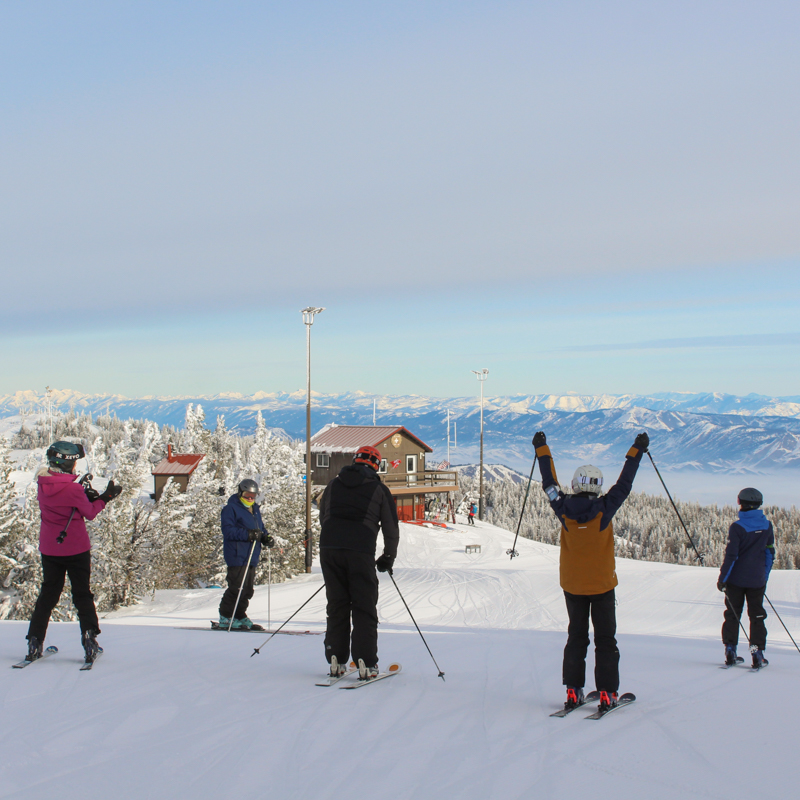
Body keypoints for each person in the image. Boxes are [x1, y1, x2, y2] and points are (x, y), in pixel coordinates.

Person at [533, 430, 649, 712]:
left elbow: (549, 483)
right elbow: (625, 484)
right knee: (605, 639)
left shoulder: (561, 507)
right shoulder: (605, 509)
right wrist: (637, 450)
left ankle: (573, 691)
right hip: (601, 586)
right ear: (597, 487)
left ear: (575, 484)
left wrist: (542, 449)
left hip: (572, 586)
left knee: (576, 637)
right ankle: (608, 693)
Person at [26, 441, 122, 663]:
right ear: (68, 463)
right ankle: (89, 640)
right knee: (81, 594)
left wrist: (83, 494)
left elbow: (63, 504)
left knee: (48, 595)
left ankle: (34, 641)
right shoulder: (73, 488)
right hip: (76, 548)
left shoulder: (43, 484)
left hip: (50, 548)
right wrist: (106, 497)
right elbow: (89, 513)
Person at [318, 445, 399, 679]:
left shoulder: (333, 484)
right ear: (376, 465)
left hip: (330, 549)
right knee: (364, 606)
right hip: (360, 550)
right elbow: (391, 529)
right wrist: (388, 557)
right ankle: (365, 662)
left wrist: (335, 543)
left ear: (354, 461)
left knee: (337, 604)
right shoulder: (378, 489)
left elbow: (325, 516)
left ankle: (336, 659)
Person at [718, 487, 775, 668]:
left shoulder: (737, 527)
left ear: (740, 503)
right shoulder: (767, 526)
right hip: (757, 581)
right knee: (757, 616)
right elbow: (770, 554)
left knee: (732, 615)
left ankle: (730, 650)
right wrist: (763, 576)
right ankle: (757, 653)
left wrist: (723, 579)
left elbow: (731, 556)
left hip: (735, 580)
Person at [219, 479, 274, 630]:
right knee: (237, 586)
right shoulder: (231, 508)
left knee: (248, 589)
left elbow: (260, 528)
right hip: (237, 553)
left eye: (253, 495)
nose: (250, 498)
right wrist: (248, 534)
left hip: (251, 554)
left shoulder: (254, 509)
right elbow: (228, 530)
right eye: (247, 495)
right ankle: (226, 616)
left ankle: (239, 615)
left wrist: (265, 537)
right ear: (240, 493)